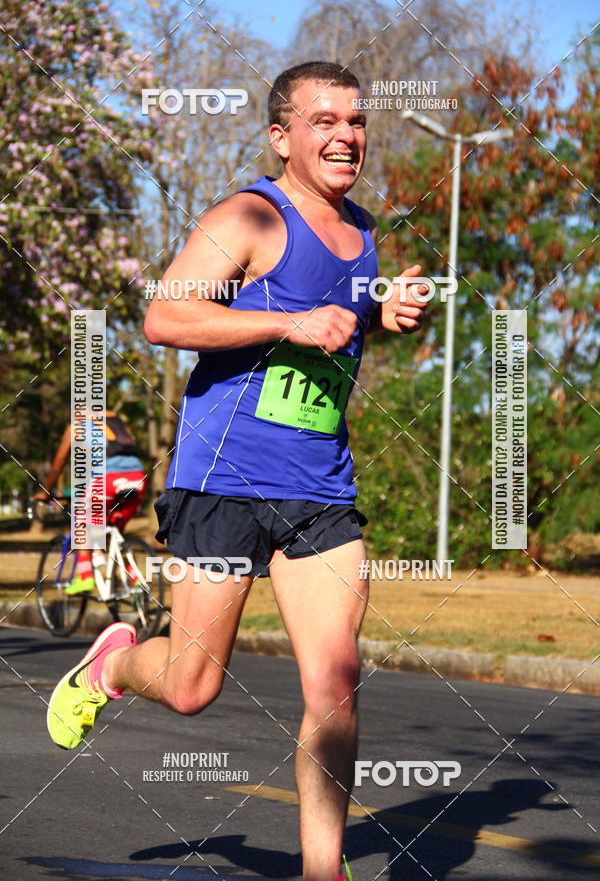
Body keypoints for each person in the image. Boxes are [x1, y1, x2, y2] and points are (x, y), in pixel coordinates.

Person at [46, 62, 428, 880]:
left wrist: (383, 313)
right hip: (224, 482)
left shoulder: (363, 232)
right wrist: (287, 324)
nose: (345, 135)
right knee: (191, 686)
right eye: (322, 120)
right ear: (281, 137)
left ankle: (322, 870)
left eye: (355, 121)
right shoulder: (252, 213)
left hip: (321, 489)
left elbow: (338, 326)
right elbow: (165, 314)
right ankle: (112, 662)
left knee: (336, 677)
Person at [34, 409, 146, 592]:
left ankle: (85, 577)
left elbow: (59, 461)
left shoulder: (76, 425)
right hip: (137, 479)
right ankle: (136, 580)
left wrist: (47, 492)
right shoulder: (116, 420)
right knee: (116, 536)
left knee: (81, 524)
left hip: (107, 480)